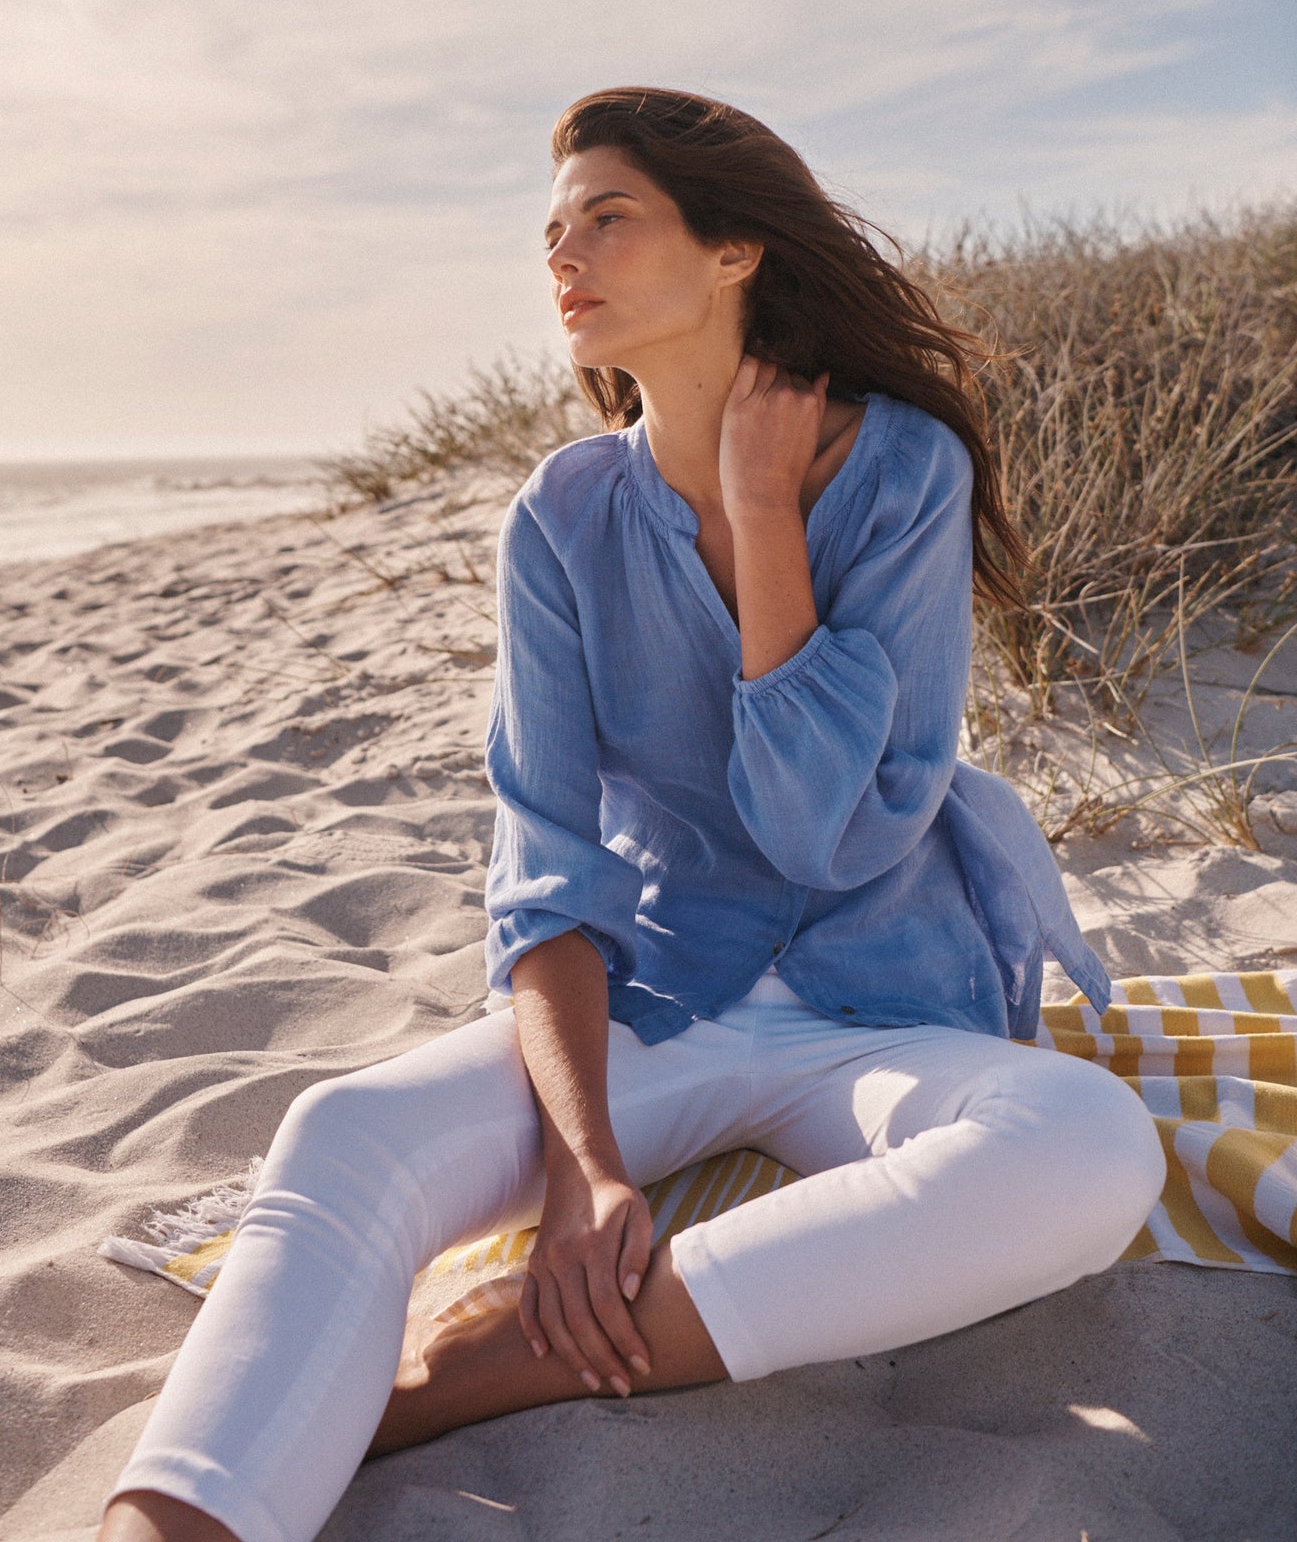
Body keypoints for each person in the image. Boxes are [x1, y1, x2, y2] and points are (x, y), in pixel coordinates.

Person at [99, 88, 1165, 1542]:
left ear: (734, 252)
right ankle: (175, 1524)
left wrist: (767, 516)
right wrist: (589, 1171)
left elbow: (830, 838)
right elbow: (546, 864)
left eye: (608, 219)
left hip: (891, 1007)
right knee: (342, 1128)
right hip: (666, 992)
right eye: (553, 232)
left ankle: (496, 1364)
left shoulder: (905, 468)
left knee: (1088, 1148)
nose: (566, 259)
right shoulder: (562, 516)